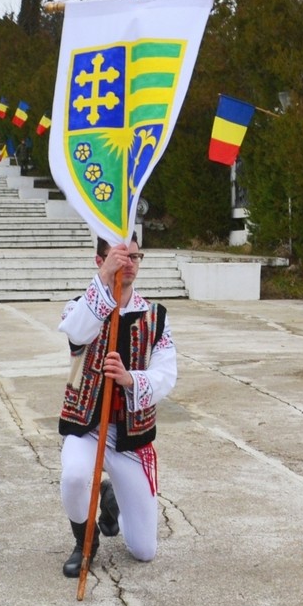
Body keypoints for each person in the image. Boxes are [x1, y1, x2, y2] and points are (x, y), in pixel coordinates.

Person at [57, 237, 175, 576]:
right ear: (100, 261)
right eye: (120, 257)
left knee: (144, 551)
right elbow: (78, 334)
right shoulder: (78, 307)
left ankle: (110, 501)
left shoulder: (156, 316)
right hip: (87, 428)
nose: (129, 263)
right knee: (74, 476)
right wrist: (104, 282)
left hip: (130, 438)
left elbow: (167, 375)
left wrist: (129, 379)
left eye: (135, 256)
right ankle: (86, 542)